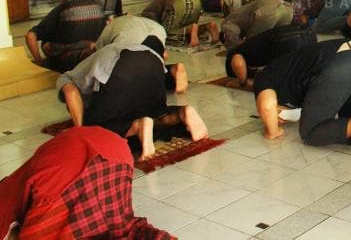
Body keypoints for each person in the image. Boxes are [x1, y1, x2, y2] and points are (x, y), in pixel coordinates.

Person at [0, 126, 173, 239]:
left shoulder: (6, 205)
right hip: (114, 148)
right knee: (118, 223)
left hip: (66, 165)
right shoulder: (15, 185)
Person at [56, 36, 209, 159]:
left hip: (121, 67)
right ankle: (181, 113)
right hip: (153, 63)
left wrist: (81, 129)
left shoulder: (67, 76)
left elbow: (71, 94)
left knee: (95, 133)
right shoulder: (114, 49)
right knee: (156, 113)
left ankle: (137, 125)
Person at [253, 39, 351, 146]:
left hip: (338, 65)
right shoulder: (287, 70)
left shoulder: (263, 78)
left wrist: (272, 130)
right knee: (350, 112)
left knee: (311, 133)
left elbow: (266, 106)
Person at [95, 14, 189, 93]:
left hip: (131, 45)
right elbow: (164, 54)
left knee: (128, 82)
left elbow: (101, 59)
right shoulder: (133, 20)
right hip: (157, 34)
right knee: (153, 73)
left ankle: (164, 73)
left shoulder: (107, 29)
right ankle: (169, 70)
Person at [25, 0, 106, 72]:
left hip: (65, 62)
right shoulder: (98, 7)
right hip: (91, 58)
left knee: (46, 44)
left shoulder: (64, 9)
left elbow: (30, 36)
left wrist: (39, 62)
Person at [226, 24, 317, 86]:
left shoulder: (233, 56)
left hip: (287, 41)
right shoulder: (249, 49)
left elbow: (237, 62)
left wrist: (242, 82)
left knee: (279, 81)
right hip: (307, 31)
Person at [141, 0, 220, 47]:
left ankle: (190, 28)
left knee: (164, 33)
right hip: (194, 1)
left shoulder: (146, 14)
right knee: (185, 26)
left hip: (177, 5)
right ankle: (207, 26)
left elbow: (153, 26)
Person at [220, 0, 293, 50]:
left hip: (267, 13)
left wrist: (232, 47)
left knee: (250, 46)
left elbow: (233, 38)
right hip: (285, 7)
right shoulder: (235, 15)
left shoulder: (225, 25)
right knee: (280, 42)